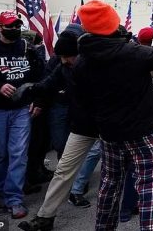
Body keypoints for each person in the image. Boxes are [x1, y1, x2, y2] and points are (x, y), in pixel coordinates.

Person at [73, 0, 153, 230]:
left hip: (109, 134)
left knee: (109, 185)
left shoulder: (81, 63)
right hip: (144, 133)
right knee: (150, 187)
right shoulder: (131, 53)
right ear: (113, 24)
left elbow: (83, 102)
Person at [18, 27, 102, 231]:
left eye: (68, 56)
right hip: (82, 126)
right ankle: (45, 217)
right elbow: (48, 83)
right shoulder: (64, 67)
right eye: (61, 56)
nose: (64, 60)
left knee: (123, 168)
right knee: (63, 170)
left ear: (80, 53)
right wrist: (30, 89)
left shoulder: (99, 64)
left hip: (108, 124)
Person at [0, 11, 45, 219]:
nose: (15, 29)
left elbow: (40, 78)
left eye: (18, 25)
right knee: (1, 155)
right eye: (10, 25)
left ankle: (14, 198)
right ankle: (1, 192)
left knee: (18, 154)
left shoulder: (28, 48)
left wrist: (39, 101)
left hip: (21, 110)